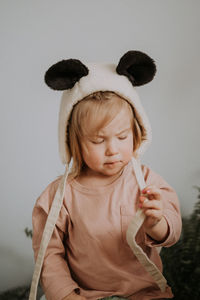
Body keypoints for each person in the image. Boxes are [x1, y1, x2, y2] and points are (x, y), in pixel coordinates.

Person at [29, 51, 182, 300]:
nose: (112, 149)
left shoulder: (146, 182)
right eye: (98, 140)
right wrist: (66, 295)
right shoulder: (59, 196)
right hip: (83, 294)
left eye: (122, 137)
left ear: (136, 132)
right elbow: (49, 254)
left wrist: (157, 223)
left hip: (143, 293)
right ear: (74, 142)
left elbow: (171, 234)